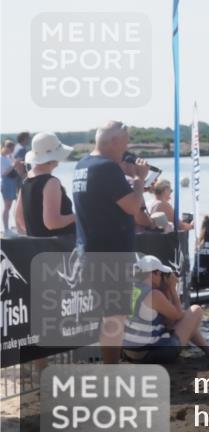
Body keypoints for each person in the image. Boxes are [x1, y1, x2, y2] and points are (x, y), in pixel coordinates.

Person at [72, 121, 155, 364]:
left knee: (106, 315)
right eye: (126, 141)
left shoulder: (82, 164)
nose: (128, 146)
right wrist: (139, 180)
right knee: (114, 316)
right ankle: (111, 372)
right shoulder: (107, 168)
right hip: (111, 253)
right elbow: (131, 207)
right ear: (114, 142)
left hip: (90, 249)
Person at [122, 254, 209, 364]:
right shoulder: (153, 295)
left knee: (187, 323)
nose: (161, 277)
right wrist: (172, 288)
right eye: (160, 274)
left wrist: (166, 291)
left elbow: (169, 322)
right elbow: (178, 316)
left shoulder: (132, 289)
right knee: (196, 310)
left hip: (130, 353)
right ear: (153, 274)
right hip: (149, 355)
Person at [14, 132, 75, 237]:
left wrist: (36, 234)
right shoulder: (51, 182)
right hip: (59, 248)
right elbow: (52, 223)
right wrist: (77, 216)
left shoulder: (26, 180)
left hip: (40, 248)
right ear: (52, 158)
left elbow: (19, 217)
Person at [1, 140, 18, 234]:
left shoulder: (7, 157)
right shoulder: (1, 158)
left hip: (11, 182)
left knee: (10, 206)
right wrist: (13, 165)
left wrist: (14, 162)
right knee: (7, 206)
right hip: (6, 182)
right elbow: (3, 173)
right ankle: (6, 229)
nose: (12, 150)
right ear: (6, 147)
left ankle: (10, 227)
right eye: (11, 148)